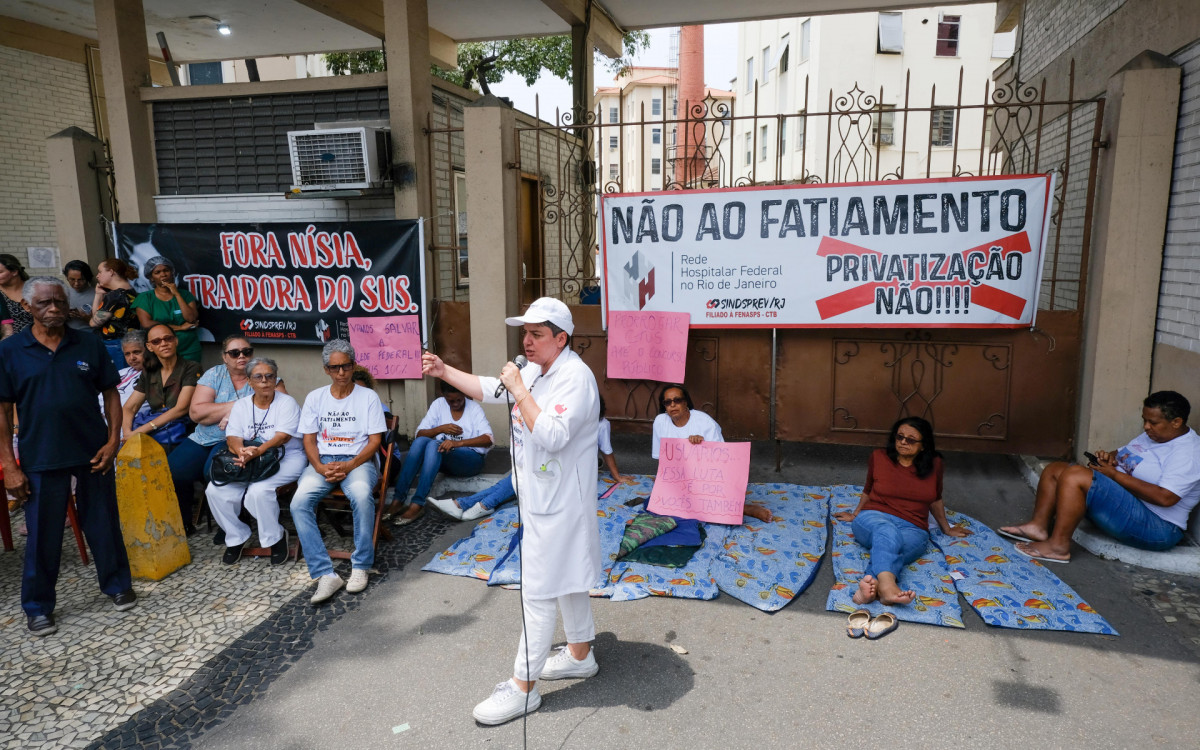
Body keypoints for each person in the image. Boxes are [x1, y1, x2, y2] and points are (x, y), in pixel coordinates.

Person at [422, 296, 602, 726]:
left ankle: (524, 688)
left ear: (562, 338)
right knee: (567, 580)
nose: (527, 341)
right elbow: (490, 387)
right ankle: (579, 654)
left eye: (537, 334)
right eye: (525, 332)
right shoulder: (536, 369)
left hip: (559, 502)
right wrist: (445, 371)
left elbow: (554, 435)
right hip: (541, 495)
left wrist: (520, 390)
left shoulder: (575, 378)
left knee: (538, 592)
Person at [0, 277, 136, 637]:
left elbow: (111, 394)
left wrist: (112, 442)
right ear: (28, 307)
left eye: (59, 302)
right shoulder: (10, 351)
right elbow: (2, 412)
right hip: (41, 454)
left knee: (103, 522)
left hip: (92, 450)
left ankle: (117, 584)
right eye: (45, 303)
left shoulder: (87, 343)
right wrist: (10, 467)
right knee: (43, 534)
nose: (55, 309)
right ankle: (38, 606)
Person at [1000, 391, 1200, 563]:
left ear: (1176, 422)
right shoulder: (1154, 435)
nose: (1146, 427)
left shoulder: (1188, 452)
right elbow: (1123, 455)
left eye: (1153, 422)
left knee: (1075, 476)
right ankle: (1038, 527)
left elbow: (1166, 498)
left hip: (1157, 527)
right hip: (1128, 505)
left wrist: (1113, 475)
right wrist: (1108, 458)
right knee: (1056, 469)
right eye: (1144, 420)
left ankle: (1058, 547)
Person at [833, 417, 970, 606]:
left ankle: (869, 588)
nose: (904, 442)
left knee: (894, 547)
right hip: (874, 517)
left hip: (914, 528)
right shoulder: (879, 456)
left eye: (911, 439)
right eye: (900, 437)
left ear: (923, 445)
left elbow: (935, 498)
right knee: (887, 532)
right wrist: (856, 514)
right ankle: (888, 588)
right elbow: (868, 489)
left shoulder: (935, 464)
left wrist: (946, 528)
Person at [428, 395, 632, 521]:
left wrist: (617, 477)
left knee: (523, 477)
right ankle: (468, 504)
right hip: (554, 466)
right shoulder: (566, 418)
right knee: (520, 476)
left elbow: (607, 451)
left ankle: (477, 505)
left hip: (576, 472)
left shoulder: (601, 425)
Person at [291, 339, 387, 604]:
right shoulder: (315, 397)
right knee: (298, 503)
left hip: (358, 460)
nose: (341, 373)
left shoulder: (368, 397)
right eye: (335, 368)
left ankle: (361, 565)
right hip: (323, 462)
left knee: (360, 494)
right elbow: (308, 440)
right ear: (326, 370)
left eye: (345, 366)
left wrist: (350, 465)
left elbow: (375, 442)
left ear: (354, 366)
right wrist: (320, 467)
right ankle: (325, 573)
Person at [206, 357, 307, 566]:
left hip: (286, 457)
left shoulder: (286, 402)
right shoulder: (242, 405)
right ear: (249, 382)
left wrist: (256, 452)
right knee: (215, 490)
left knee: (258, 492)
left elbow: (283, 437)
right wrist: (241, 452)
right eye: (258, 377)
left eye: (270, 376)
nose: (265, 381)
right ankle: (236, 536)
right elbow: (233, 436)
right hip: (250, 458)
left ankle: (276, 537)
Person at [170, 335, 267, 539]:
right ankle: (184, 522)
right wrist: (239, 406)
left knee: (214, 471)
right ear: (224, 357)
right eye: (234, 353)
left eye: (246, 352)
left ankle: (231, 525)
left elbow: (273, 408)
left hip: (239, 439)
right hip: (204, 437)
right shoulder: (214, 374)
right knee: (174, 469)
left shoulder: (263, 373)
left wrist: (219, 411)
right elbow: (197, 414)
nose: (241, 356)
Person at [652, 383, 772, 523]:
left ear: (686, 403)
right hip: (679, 477)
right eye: (668, 402)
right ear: (664, 406)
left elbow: (722, 462)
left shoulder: (705, 422)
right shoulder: (660, 422)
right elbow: (663, 460)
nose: (673, 405)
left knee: (709, 503)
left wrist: (703, 446)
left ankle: (744, 508)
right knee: (663, 505)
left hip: (707, 478)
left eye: (677, 400)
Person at [389, 382, 493, 525]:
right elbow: (420, 434)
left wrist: (457, 443)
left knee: (433, 444)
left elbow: (488, 439)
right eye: (451, 401)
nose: (456, 404)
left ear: (464, 394)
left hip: (471, 461)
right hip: (445, 458)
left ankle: (417, 503)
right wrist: (440, 429)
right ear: (444, 396)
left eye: (459, 400)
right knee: (421, 442)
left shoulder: (474, 408)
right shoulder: (438, 405)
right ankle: (398, 499)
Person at [122, 323, 200, 458]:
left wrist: (141, 431)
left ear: (176, 341)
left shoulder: (191, 367)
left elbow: (180, 409)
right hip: (153, 432)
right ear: (149, 347)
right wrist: (128, 433)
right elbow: (130, 407)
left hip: (181, 432)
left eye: (168, 338)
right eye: (156, 341)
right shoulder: (150, 371)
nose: (163, 343)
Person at [132, 256, 200, 362]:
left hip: (189, 349)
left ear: (172, 272)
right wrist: (179, 327)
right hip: (161, 350)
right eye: (157, 272)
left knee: (191, 377)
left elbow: (191, 319)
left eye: (166, 270)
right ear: (151, 277)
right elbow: (146, 323)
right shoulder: (145, 298)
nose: (163, 274)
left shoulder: (185, 295)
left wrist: (177, 294)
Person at [89, 257, 140, 368]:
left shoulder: (115, 296)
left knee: (119, 381)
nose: (97, 276)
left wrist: (98, 295)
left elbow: (94, 322)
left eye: (100, 271)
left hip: (115, 345)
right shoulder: (132, 291)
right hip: (131, 343)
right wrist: (99, 294)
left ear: (111, 272)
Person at [0, 253, 31, 339]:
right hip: (10, 343)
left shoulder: (35, 288)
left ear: (14, 271)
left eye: (0, 272)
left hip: (39, 340)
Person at [62, 260, 95, 332]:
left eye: (81, 280)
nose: (76, 283)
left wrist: (86, 318)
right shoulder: (62, 294)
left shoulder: (97, 295)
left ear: (87, 278)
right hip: (68, 335)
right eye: (72, 279)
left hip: (90, 335)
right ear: (67, 278)